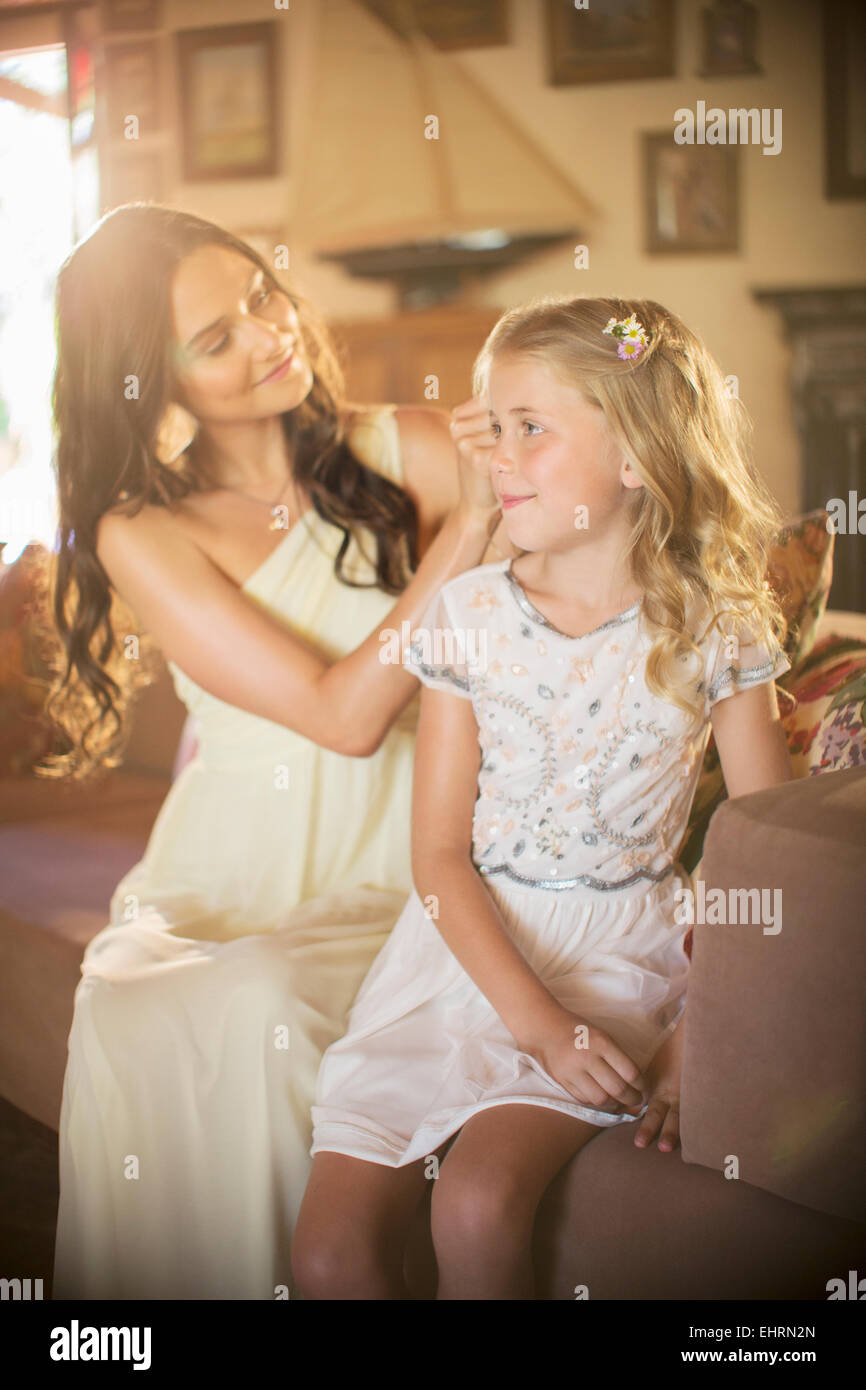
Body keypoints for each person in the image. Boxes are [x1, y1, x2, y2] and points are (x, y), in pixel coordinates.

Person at [292, 296, 795, 1301]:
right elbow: (436, 855)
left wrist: (692, 1044)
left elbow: (760, 857)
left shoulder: (714, 626)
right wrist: (533, 1023)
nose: (498, 456)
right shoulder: (467, 614)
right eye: (492, 428)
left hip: (614, 956)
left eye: (531, 427)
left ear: (636, 456)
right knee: (324, 1254)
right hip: (462, 952)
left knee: (476, 1207)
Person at [47, 204, 507, 1299]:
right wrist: (472, 528)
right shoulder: (141, 530)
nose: (269, 334)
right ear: (148, 387)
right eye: (216, 339)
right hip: (231, 866)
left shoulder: (411, 445)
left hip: (411, 847)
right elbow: (341, 717)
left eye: (260, 293)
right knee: (165, 998)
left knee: (263, 996)